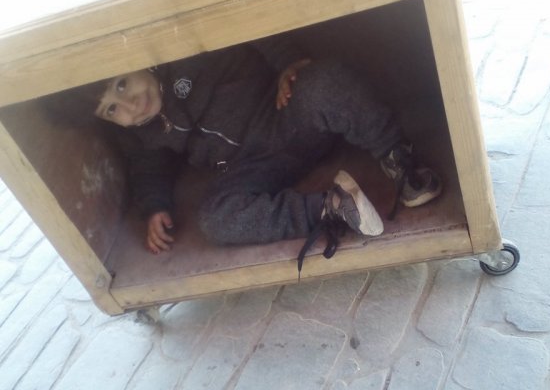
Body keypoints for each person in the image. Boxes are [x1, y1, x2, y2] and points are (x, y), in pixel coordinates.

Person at [47, 34, 441, 272]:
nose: (130, 105)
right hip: (252, 168)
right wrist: (154, 206)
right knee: (215, 219)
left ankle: (398, 158)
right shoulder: (140, 135)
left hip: (287, 117)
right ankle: (332, 208)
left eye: (121, 84)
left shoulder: (184, 49)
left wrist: (287, 65)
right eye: (111, 110)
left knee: (325, 79)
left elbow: (256, 29)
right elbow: (147, 168)